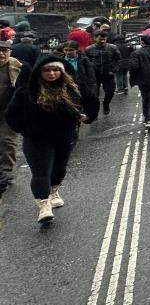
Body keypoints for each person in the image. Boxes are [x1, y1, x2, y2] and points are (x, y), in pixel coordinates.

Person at [4, 56, 87, 224]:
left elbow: (90, 100)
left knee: (59, 168)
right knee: (41, 172)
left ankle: (54, 190)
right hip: (37, 139)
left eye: (56, 70)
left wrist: (86, 116)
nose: (51, 73)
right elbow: (11, 114)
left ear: (62, 72)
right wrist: (26, 130)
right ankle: (43, 204)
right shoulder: (27, 90)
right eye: (47, 70)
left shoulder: (72, 88)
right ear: (39, 72)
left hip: (65, 137)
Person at [0, 40, 31, 198]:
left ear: (10, 52)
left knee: (6, 140)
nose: (1, 54)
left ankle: (6, 170)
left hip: (8, 112)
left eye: (4, 51)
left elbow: (28, 88)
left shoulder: (19, 68)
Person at [85, 31, 120, 115]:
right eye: (100, 39)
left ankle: (106, 103)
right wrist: (88, 72)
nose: (102, 41)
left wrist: (114, 70)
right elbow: (85, 62)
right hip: (94, 75)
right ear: (95, 38)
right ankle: (95, 110)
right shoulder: (89, 49)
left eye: (104, 39)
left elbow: (118, 60)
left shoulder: (113, 48)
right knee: (94, 94)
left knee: (110, 91)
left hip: (108, 74)